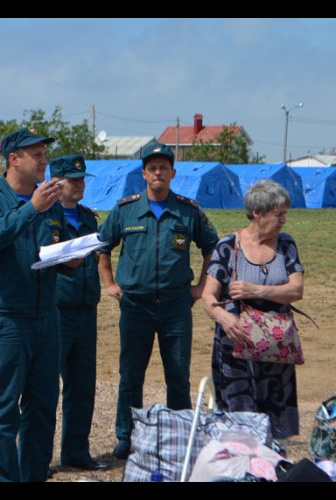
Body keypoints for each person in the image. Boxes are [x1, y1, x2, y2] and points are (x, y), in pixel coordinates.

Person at [0, 128, 77, 482]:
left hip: (47, 317)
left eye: (45, 155)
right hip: (7, 321)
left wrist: (71, 258)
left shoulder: (50, 202)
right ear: (14, 159)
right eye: (37, 155)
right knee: (2, 412)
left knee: (43, 407)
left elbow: (51, 248)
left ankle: (32, 475)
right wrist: (31, 209)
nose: (45, 161)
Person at [97, 144, 218, 459]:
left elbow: (212, 249)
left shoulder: (188, 211)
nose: (158, 173)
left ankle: (180, 436)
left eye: (164, 167)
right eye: (152, 168)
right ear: (144, 174)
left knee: (178, 374)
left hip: (176, 305)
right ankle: (128, 437)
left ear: (173, 173)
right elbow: (102, 246)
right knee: (131, 375)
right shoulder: (126, 210)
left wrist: (202, 287)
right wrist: (109, 284)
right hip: (135, 304)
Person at [202, 179, 303, 443]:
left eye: (284, 214)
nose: (283, 220)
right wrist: (224, 318)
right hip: (235, 348)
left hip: (275, 349)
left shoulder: (286, 245)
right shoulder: (227, 247)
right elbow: (208, 296)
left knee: (275, 425)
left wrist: (255, 290)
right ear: (257, 213)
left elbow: (296, 290)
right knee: (238, 423)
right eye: (278, 214)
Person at [49, 155, 110, 471]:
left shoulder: (89, 217)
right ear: (56, 182)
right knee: (46, 388)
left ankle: (76, 451)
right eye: (74, 179)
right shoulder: (46, 216)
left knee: (82, 384)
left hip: (86, 309)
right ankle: (39, 457)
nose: (80, 184)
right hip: (56, 311)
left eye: (82, 179)